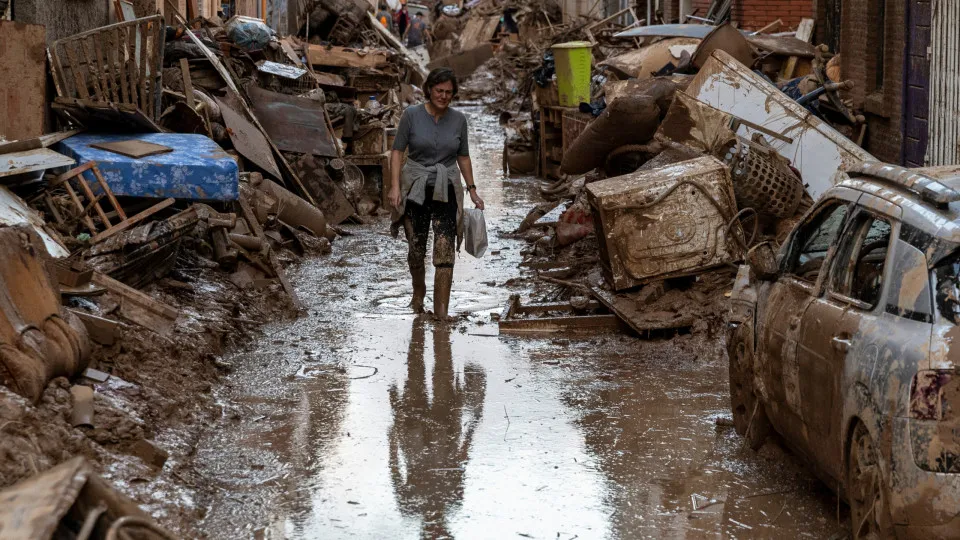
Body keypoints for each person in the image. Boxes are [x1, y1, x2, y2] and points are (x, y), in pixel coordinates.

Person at [389, 68, 484, 319]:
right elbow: (398, 151)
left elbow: (463, 156)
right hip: (416, 188)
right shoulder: (410, 115)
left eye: (449, 92)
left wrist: (472, 190)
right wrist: (395, 187)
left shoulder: (459, 120)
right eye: (439, 91)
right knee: (416, 249)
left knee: (444, 249)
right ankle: (418, 291)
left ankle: (442, 311)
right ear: (429, 89)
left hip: (447, 188)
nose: (443, 96)